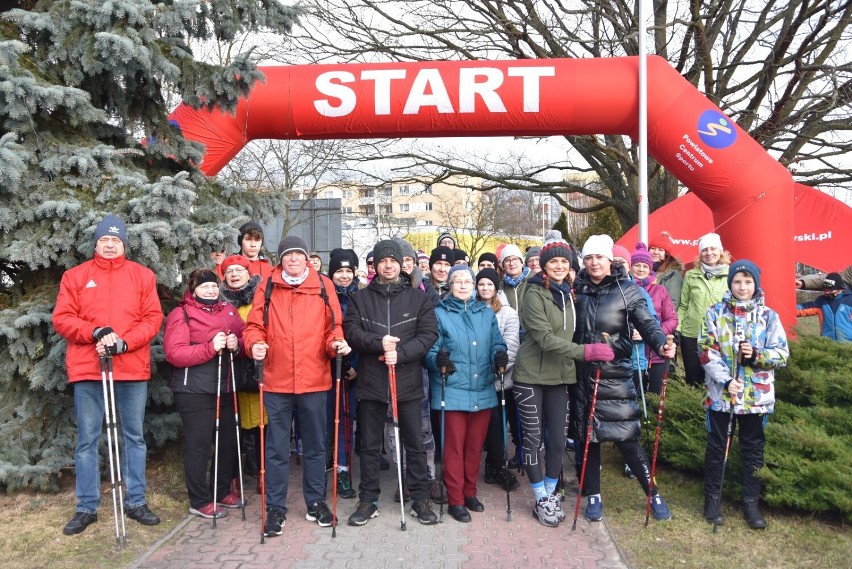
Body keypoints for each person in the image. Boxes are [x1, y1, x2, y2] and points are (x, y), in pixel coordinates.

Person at [53, 215, 163, 535]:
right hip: (89, 368)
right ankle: (86, 506)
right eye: (105, 240)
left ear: (124, 244)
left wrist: (125, 343)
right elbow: (62, 318)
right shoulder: (75, 276)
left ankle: (136, 501)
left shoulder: (143, 276)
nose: (110, 245)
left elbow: (152, 318)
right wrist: (94, 331)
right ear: (96, 244)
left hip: (130, 368)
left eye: (116, 240)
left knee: (134, 436)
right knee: (87, 439)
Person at [243, 235, 351, 537]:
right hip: (276, 380)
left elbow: (334, 327)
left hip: (315, 379)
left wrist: (335, 346)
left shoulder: (323, 286)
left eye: (298, 254)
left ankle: (315, 501)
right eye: (288, 254)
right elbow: (253, 327)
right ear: (281, 259)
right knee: (277, 447)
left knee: (316, 446)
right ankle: (276, 507)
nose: (293, 259)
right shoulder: (267, 286)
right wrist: (254, 345)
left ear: (306, 258)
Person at [571, 234, 677, 524]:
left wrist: (661, 344)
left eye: (599, 257)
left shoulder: (627, 289)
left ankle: (652, 492)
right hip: (582, 377)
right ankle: (594, 495)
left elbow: (648, 323)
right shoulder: (575, 290)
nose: (594, 263)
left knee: (626, 438)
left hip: (615, 376)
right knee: (588, 438)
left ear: (609, 260)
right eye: (589, 258)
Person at [344, 239, 440, 526]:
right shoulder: (360, 299)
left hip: (408, 382)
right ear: (375, 266)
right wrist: (377, 344)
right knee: (371, 445)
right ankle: (368, 499)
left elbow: (429, 333)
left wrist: (401, 354)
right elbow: (351, 331)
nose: (388, 265)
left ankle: (420, 498)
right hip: (372, 384)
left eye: (393, 260)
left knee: (415, 443)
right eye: (382, 261)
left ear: (401, 264)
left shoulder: (418, 297)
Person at [700, 260, 789, 529]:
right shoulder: (715, 313)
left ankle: (751, 503)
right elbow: (706, 352)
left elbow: (782, 353)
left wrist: (758, 355)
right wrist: (726, 381)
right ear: (730, 284)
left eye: (748, 282)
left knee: (752, 450)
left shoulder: (769, 316)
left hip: (756, 398)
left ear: (756, 285)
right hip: (721, 395)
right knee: (717, 447)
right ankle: (712, 500)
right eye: (737, 281)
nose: (742, 287)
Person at [512, 231, 588, 527]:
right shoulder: (532, 293)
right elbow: (543, 338)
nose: (558, 266)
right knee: (533, 440)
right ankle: (540, 497)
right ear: (544, 266)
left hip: (561, 376)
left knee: (557, 440)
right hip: (530, 375)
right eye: (553, 261)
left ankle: (552, 489)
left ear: (570, 266)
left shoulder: (569, 293)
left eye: (563, 262)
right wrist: (585, 352)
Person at [425, 265, 507, 523]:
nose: (462, 285)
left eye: (467, 281)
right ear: (449, 286)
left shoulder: (486, 313)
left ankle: (470, 492)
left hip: (482, 390)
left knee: (474, 448)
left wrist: (499, 355)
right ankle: (456, 498)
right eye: (457, 281)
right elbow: (429, 350)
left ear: (474, 286)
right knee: (453, 449)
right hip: (452, 391)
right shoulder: (438, 313)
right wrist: (436, 359)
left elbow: (497, 342)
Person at [164, 268, 246, 518]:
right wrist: (210, 348)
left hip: (226, 387)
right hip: (194, 390)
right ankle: (199, 500)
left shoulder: (229, 310)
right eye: (204, 287)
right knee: (199, 446)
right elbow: (175, 353)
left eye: (213, 286)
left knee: (228, 442)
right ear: (193, 289)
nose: (210, 290)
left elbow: (245, 337)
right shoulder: (182, 314)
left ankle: (221, 491)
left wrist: (237, 344)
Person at [219, 255, 264, 490]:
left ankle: (261, 472)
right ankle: (233, 476)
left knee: (260, 424)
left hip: (258, 370)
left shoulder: (261, 297)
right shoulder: (218, 301)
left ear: (249, 273)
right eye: (229, 271)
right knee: (232, 426)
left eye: (239, 270)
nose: (234, 275)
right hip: (230, 372)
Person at [476, 268, 521, 493]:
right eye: (481, 284)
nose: (485, 288)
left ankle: (497, 465)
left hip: (500, 379)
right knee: (483, 427)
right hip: (476, 380)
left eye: (489, 284)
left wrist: (496, 368)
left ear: (496, 288)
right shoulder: (471, 310)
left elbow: (511, 348)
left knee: (497, 426)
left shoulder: (508, 313)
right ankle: (490, 465)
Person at [327, 248, 362, 500]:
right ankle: (333, 469)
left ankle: (347, 468)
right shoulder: (324, 297)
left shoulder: (362, 298)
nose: (344, 275)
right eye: (339, 270)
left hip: (356, 371)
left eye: (348, 270)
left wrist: (356, 366)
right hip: (329, 369)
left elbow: (365, 335)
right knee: (330, 422)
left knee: (349, 423)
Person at [678, 233, 730, 387]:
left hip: (719, 334)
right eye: (704, 250)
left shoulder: (730, 274)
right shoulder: (691, 275)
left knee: (716, 378)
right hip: (691, 334)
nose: (709, 253)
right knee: (694, 380)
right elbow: (683, 305)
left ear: (720, 251)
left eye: (713, 248)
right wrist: (677, 328)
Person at [630, 243, 678, 394]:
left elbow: (672, 319)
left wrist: (653, 333)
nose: (641, 269)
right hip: (634, 353)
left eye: (645, 266)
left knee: (656, 395)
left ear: (650, 268)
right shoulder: (625, 290)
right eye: (636, 265)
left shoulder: (660, 290)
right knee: (635, 394)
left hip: (656, 353)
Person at [796, 272, 852, 341]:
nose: (827, 292)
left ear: (840, 289)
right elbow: (802, 309)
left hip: (848, 346)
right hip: (827, 344)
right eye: (825, 290)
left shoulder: (850, 300)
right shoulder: (821, 301)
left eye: (830, 290)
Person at [648, 231, 684, 309]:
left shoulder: (673, 275)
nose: (656, 252)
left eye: (661, 250)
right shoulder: (641, 271)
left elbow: (672, 304)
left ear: (666, 255)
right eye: (653, 248)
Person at [497, 243, 530, 314]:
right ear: (503, 266)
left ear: (521, 262)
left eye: (515, 259)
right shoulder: (500, 287)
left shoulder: (533, 282)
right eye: (507, 260)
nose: (511, 263)